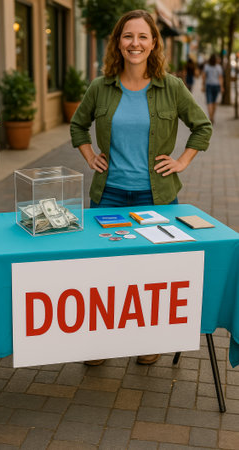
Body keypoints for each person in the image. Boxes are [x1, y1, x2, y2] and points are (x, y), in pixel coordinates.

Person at [70, 10, 212, 366]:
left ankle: (148, 340)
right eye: (128, 36)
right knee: (103, 270)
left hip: (158, 196)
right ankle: (99, 343)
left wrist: (181, 161)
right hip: (110, 195)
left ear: (153, 43)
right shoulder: (101, 87)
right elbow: (77, 126)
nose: (135, 43)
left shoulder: (172, 87)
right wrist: (90, 156)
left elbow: (202, 127)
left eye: (142, 37)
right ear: (118, 42)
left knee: (152, 273)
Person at [202, 54, 224, 124]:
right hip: (216, 86)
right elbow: (220, 78)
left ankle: (210, 117)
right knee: (214, 102)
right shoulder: (219, 67)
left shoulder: (206, 66)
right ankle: (212, 117)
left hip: (209, 85)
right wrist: (221, 87)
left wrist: (203, 85)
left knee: (209, 102)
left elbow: (204, 76)